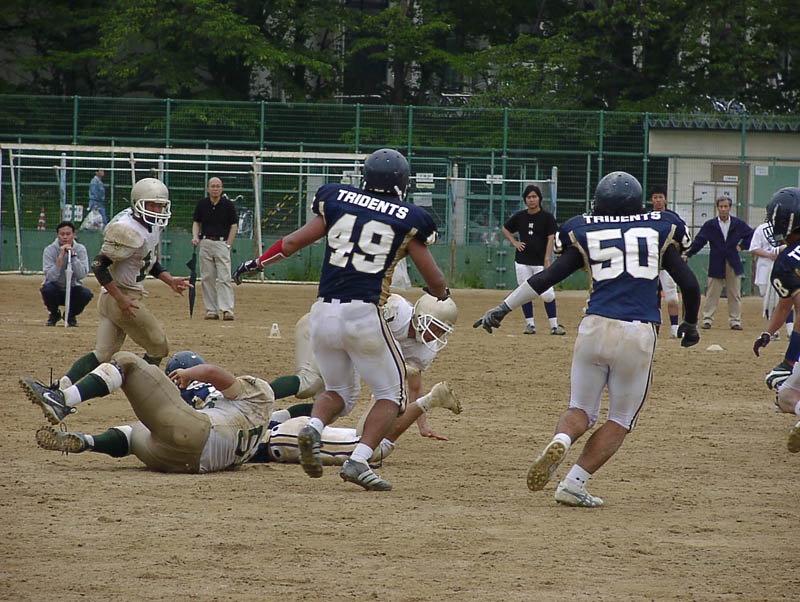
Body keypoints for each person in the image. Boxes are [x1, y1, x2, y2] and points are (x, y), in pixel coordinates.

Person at [474, 171, 701, 507]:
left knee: (580, 408)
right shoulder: (661, 228)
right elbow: (690, 285)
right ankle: (573, 483)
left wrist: (502, 308)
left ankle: (563, 439)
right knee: (620, 420)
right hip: (637, 331)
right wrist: (690, 324)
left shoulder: (584, 228)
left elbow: (547, 277)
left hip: (594, 326)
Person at [233, 147, 450, 491]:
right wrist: (441, 293)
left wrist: (256, 264)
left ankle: (313, 428)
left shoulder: (337, 198)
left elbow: (293, 242)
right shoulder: (409, 218)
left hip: (322, 313)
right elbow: (435, 280)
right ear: (402, 183)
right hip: (363, 312)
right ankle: (359, 460)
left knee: (339, 392)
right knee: (392, 396)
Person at [30, 351, 461, 470]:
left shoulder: (209, 397)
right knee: (373, 448)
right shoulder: (255, 401)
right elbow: (290, 401)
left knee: (128, 404)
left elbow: (290, 403)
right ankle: (80, 437)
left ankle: (76, 421)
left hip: (186, 440)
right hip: (209, 458)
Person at [40, 178, 191, 408]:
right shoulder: (126, 229)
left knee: (102, 354)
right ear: (137, 203)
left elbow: (146, 260)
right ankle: (144, 393)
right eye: (152, 205)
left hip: (115, 297)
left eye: (160, 205)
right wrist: (120, 299)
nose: (157, 210)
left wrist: (168, 279)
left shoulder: (150, 226)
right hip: (121, 297)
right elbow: (98, 265)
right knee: (159, 346)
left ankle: (60, 389)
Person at [21, 351, 274, 473]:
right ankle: (86, 441)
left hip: (197, 431)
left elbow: (211, 372)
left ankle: (63, 399)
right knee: (134, 434)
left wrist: (187, 375)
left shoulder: (250, 392)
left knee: (127, 362)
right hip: (187, 464)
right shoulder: (257, 419)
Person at [269, 291, 459, 440]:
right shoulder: (394, 309)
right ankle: (257, 394)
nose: (435, 335)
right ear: (420, 314)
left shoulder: (425, 351)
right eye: (434, 326)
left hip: (348, 352)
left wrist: (423, 425)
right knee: (309, 383)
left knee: (339, 405)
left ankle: (276, 419)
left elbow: (415, 386)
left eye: (442, 331)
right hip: (326, 328)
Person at [751, 188, 800, 453]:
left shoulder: (786, 261)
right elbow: (785, 304)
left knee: (786, 396)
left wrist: (789, 361)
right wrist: (768, 333)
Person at [501, 184, 565, 335]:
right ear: (525, 200)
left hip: (540, 263)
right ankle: (530, 325)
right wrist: (514, 242)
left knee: (548, 295)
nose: (531, 200)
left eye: (534, 196)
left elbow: (551, 238)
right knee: (525, 293)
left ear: (539, 199)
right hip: (522, 261)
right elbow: (505, 229)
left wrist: (547, 259)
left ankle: (554, 326)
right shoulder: (520, 216)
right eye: (528, 197)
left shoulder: (547, 217)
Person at [683, 196, 754, 330]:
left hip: (733, 262)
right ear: (717, 208)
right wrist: (688, 253)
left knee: (734, 293)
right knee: (712, 292)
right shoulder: (710, 225)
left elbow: (751, 235)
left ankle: (735, 320)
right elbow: (699, 241)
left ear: (730, 208)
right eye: (721, 206)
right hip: (716, 262)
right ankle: (707, 319)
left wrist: (742, 246)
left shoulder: (738, 224)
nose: (723, 209)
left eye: (726, 206)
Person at [192, 177, 238, 321]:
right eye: (212, 186)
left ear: (222, 189)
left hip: (221, 243)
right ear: (208, 188)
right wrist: (195, 237)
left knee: (224, 277)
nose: (215, 189)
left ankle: (227, 309)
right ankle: (211, 310)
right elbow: (196, 222)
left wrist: (228, 244)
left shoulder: (228, 205)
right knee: (207, 278)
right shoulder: (202, 204)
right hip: (206, 243)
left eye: (218, 186)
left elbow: (234, 225)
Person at [40, 220, 94, 326]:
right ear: (57, 235)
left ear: (73, 235)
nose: (65, 237)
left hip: (73, 288)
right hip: (55, 288)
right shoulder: (49, 250)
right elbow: (51, 277)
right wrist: (60, 258)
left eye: (68, 234)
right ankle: (54, 313)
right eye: (62, 234)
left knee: (86, 294)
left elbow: (82, 274)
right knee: (47, 289)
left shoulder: (80, 249)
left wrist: (73, 257)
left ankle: (70, 315)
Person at [749, 219, 793, 339]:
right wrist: (770, 254)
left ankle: (790, 329)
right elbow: (753, 248)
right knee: (768, 299)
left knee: (786, 297)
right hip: (765, 268)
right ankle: (773, 331)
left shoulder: (790, 228)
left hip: (784, 268)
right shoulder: (761, 229)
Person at [649, 185, 682, 337]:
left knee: (672, 297)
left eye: (660, 197)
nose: (658, 200)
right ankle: (654, 326)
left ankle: (675, 327)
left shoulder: (672, 217)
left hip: (667, 262)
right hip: (651, 262)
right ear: (651, 200)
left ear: (665, 199)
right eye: (655, 197)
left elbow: (681, 237)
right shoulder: (646, 217)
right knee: (652, 297)